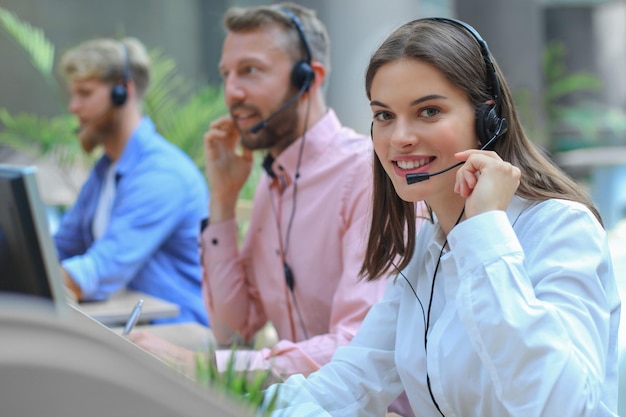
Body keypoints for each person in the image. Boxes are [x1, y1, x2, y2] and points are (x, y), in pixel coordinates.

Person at [260, 17, 622, 417]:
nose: (400, 137)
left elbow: (563, 406)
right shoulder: (425, 253)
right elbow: (351, 381)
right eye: (384, 115)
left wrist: (484, 232)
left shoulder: (561, 229)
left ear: (488, 120)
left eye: (429, 111)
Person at [128, 3, 421, 415]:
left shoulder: (369, 175)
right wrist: (223, 201)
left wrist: (209, 367)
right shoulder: (272, 181)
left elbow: (356, 344)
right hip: (295, 403)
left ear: (309, 79)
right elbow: (234, 328)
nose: (232, 92)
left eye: (250, 70)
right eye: (226, 75)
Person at [54, 37, 210, 326]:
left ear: (122, 92)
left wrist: (29, 277)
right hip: (123, 323)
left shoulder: (163, 174)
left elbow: (99, 270)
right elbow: (61, 246)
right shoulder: (106, 169)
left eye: (85, 94)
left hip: (176, 334)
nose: (73, 107)